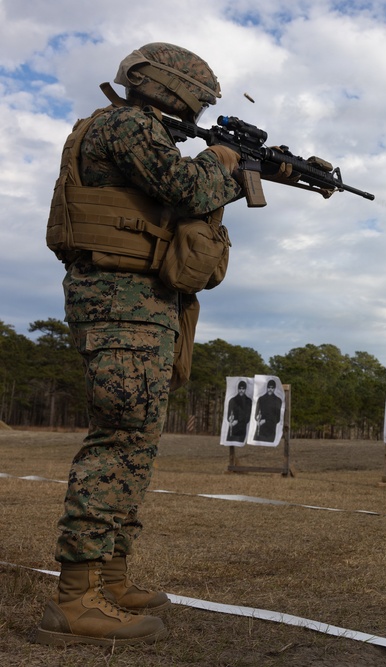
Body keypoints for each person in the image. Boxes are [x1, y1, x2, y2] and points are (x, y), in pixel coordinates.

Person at [37, 43, 242, 647]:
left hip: (142, 304)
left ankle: (111, 578)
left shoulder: (128, 126)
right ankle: (76, 600)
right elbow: (183, 186)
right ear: (175, 89)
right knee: (119, 439)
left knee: (138, 443)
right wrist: (223, 159)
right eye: (199, 98)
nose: (201, 108)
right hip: (119, 303)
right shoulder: (127, 124)